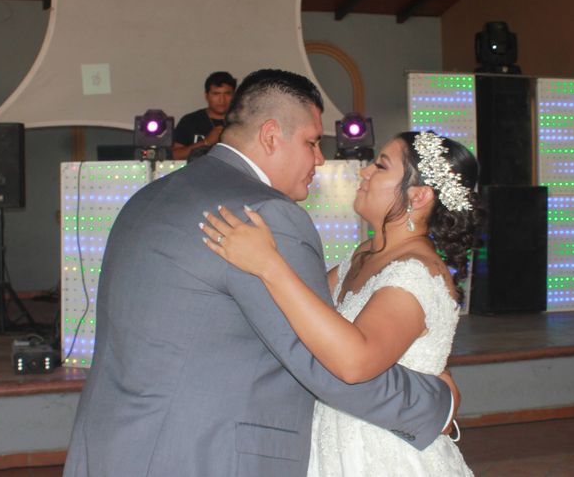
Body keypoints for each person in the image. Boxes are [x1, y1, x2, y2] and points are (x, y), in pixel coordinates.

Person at [63, 70, 458, 477]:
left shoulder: (149, 197)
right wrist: (435, 402)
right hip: (203, 454)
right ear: (271, 136)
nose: (321, 158)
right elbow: (323, 362)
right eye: (310, 143)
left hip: (112, 443)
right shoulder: (264, 215)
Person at [200, 130, 481, 476]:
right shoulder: (365, 253)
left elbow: (354, 363)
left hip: (381, 453)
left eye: (380, 166)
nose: (364, 172)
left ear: (418, 195)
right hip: (330, 439)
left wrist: (269, 264)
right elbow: (306, 305)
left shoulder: (417, 274)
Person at [172, 71, 236, 160]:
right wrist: (206, 142)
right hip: (196, 173)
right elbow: (175, 155)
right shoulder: (190, 121)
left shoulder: (241, 121)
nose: (222, 99)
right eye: (216, 94)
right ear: (207, 96)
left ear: (234, 96)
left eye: (227, 94)